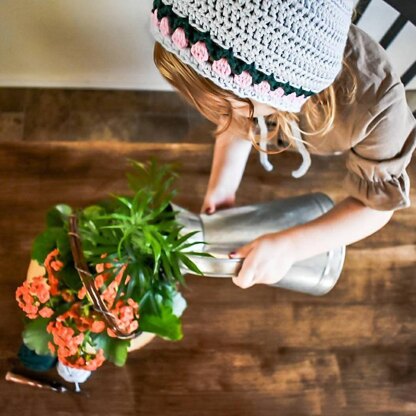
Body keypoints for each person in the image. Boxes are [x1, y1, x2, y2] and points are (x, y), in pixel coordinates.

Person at [149, 0, 416, 289]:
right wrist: (222, 188)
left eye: (233, 108)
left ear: (282, 93)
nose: (223, 118)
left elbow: (376, 208)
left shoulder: (378, 107)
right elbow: (238, 123)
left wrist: (290, 247)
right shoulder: (253, 75)